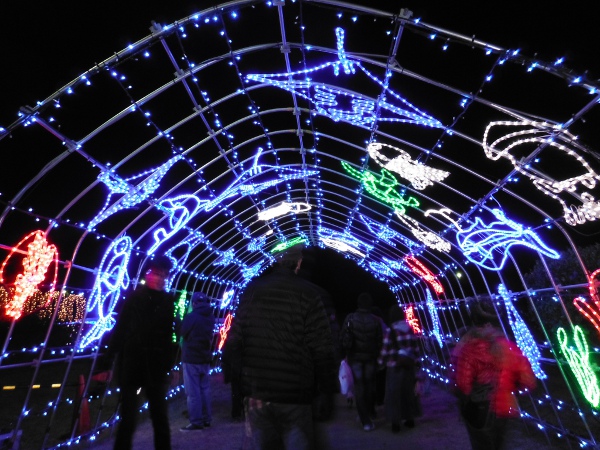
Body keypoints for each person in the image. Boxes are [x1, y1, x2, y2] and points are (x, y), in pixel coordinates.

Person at [226, 243, 337, 450]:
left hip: (258, 394)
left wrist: (240, 388)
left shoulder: (252, 291)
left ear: (275, 260)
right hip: (295, 395)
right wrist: (326, 391)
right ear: (299, 262)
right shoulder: (309, 294)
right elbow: (322, 348)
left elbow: (235, 341)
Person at [105, 255, 178, 450]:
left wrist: (169, 362)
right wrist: (106, 362)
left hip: (156, 366)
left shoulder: (168, 301)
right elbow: (119, 329)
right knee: (128, 417)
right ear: (149, 275)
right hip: (134, 364)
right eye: (157, 274)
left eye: (164, 275)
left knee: (159, 415)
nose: (160, 278)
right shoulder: (135, 298)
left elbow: (170, 334)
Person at [452, 302, 536, 450]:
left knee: (482, 445)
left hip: (480, 409)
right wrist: (511, 387)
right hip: (506, 408)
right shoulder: (508, 346)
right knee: (500, 445)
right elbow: (528, 380)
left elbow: (463, 384)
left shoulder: (469, 348)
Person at [340, 292, 383, 431]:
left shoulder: (350, 318)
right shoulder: (375, 320)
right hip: (370, 357)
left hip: (355, 358)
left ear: (358, 303)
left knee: (359, 387)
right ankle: (370, 412)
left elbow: (343, 339)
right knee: (370, 386)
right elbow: (379, 340)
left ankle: (365, 420)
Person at [377, 304, 421, 433]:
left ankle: (395, 423)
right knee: (408, 393)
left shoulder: (390, 331)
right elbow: (416, 349)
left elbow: (385, 350)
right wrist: (417, 363)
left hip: (394, 367)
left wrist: (380, 363)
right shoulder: (409, 329)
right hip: (408, 367)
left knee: (394, 395)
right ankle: (410, 419)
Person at [180, 292, 215, 431]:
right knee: (204, 389)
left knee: (192, 392)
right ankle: (207, 418)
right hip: (205, 357)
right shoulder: (210, 317)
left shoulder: (192, 317)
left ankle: (196, 421)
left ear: (194, 303)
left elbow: (182, 332)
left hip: (191, 358)